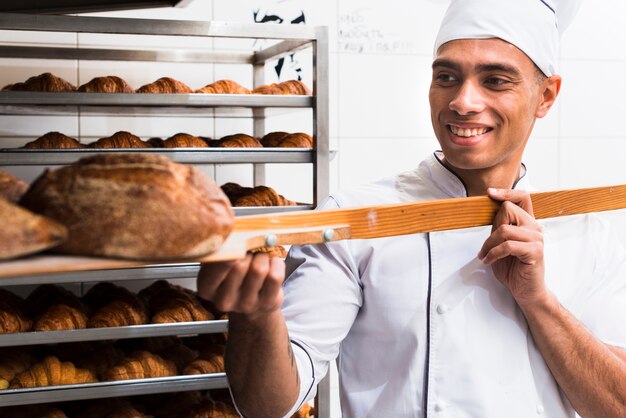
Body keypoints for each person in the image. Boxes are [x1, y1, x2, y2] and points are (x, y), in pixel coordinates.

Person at [197, 0, 626, 416]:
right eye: (447, 76)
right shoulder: (356, 221)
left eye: (495, 80)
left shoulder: (588, 232)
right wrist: (257, 314)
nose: (463, 101)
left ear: (546, 96)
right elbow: (268, 407)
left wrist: (538, 301)